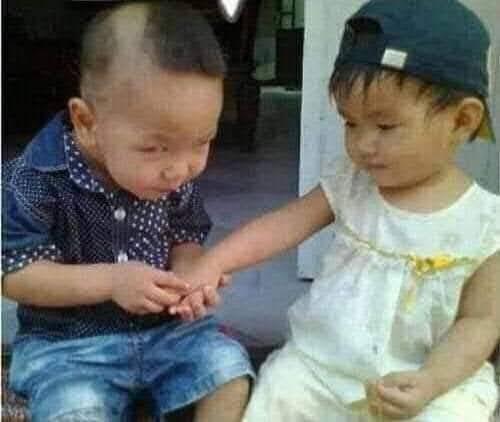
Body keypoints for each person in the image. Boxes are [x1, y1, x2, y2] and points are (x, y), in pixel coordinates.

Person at [172, 0, 500, 420]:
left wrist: (432, 381)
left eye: (385, 126)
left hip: (425, 379)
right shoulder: (352, 181)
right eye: (350, 123)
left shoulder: (486, 225)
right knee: (281, 392)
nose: (362, 144)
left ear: (462, 121)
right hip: (322, 364)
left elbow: (480, 322)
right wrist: (213, 262)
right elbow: (285, 225)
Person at [2, 2, 253, 421]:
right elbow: (14, 274)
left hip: (167, 333)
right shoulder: (33, 180)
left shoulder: (171, 174)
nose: (180, 169)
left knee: (228, 368)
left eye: (202, 141)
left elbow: (186, 235)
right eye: (154, 148)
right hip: (68, 348)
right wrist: (112, 281)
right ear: (86, 122)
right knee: (74, 406)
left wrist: (191, 275)